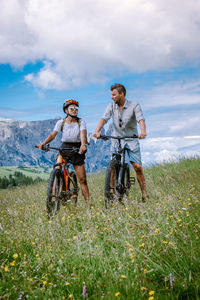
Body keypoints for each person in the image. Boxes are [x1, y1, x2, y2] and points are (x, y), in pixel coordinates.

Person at [93, 83, 148, 202]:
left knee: (137, 167)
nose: (112, 97)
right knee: (114, 165)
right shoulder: (111, 106)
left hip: (131, 138)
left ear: (121, 94)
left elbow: (140, 119)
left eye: (114, 95)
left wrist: (143, 131)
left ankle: (144, 193)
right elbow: (104, 118)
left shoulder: (134, 105)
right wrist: (97, 130)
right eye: (111, 95)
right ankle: (112, 192)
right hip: (116, 138)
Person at [37, 98, 90, 206]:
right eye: (72, 108)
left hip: (77, 148)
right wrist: (43, 143)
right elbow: (53, 135)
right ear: (66, 110)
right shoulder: (61, 122)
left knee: (82, 180)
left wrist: (83, 144)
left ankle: (88, 204)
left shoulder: (81, 122)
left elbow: (83, 134)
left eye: (76, 108)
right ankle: (55, 197)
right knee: (58, 169)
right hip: (65, 147)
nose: (75, 110)